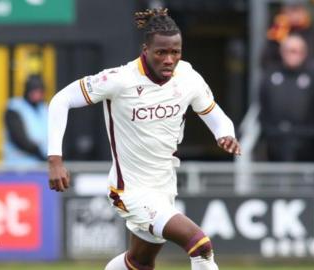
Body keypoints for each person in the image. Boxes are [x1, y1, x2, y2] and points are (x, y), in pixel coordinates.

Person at [47, 8, 240, 270]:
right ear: (145, 50)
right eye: (162, 52)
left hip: (164, 187)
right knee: (200, 245)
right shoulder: (119, 80)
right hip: (129, 190)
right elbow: (62, 100)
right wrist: (55, 159)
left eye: (176, 52)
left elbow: (216, 116)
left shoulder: (188, 78)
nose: (169, 59)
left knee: (139, 262)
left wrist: (225, 134)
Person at [260, 34, 314, 162]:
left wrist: (309, 133)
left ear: (304, 53)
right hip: (275, 139)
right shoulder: (271, 75)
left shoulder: (313, 77)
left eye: (296, 51)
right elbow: (263, 103)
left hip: (306, 141)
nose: (292, 55)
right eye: (288, 51)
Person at [3, 75, 48, 165]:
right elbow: (18, 138)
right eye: (33, 90)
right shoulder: (14, 107)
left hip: (42, 167)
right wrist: (39, 154)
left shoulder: (45, 108)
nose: (36, 94)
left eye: (39, 91)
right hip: (19, 167)